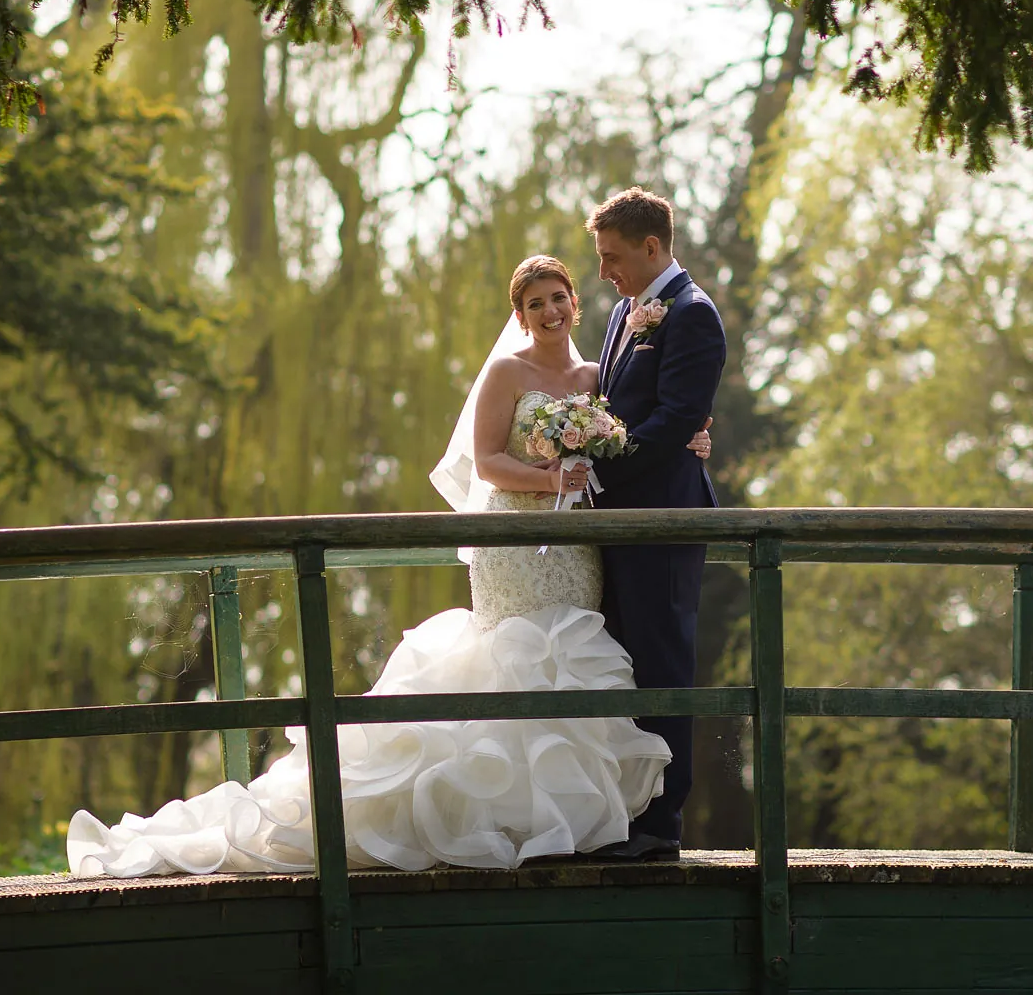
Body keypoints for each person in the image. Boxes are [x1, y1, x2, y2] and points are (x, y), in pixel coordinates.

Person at [66, 254, 714, 877]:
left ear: (575, 303)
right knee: (516, 654)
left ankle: (559, 822)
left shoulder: (592, 377)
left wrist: (691, 435)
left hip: (574, 549)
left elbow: (629, 433)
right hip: (516, 542)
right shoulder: (506, 374)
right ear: (520, 316)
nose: (549, 310)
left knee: (574, 658)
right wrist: (550, 482)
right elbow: (488, 461)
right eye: (534, 303)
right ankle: (486, 814)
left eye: (557, 298)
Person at [584, 188, 727, 862]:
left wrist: (597, 474)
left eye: (613, 258)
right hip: (622, 519)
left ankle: (661, 822)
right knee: (621, 662)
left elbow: (673, 422)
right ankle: (621, 808)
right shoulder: (623, 314)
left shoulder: (694, 315)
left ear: (651, 246)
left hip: (664, 518)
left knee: (663, 661)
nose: (606, 273)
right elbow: (615, 408)